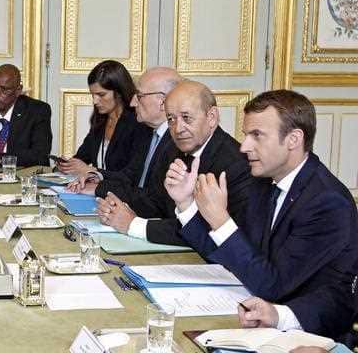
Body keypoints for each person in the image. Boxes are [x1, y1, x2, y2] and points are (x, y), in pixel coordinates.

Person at [166, 90, 358, 305]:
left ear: (293, 139)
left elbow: (272, 286)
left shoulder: (326, 202)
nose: (244, 146)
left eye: (256, 135)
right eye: (246, 134)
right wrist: (185, 203)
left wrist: (221, 220)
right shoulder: (262, 182)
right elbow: (228, 254)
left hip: (302, 328)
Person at [94, 80, 254, 245]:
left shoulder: (236, 164)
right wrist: (116, 209)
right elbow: (157, 202)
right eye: (171, 119)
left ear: (211, 117)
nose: (178, 129)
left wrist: (133, 225)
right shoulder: (173, 149)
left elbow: (212, 235)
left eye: (186, 117)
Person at [67, 66, 181, 195]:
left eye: (139, 96)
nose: (133, 103)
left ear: (162, 102)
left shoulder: (178, 140)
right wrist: (96, 176)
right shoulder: (152, 134)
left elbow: (156, 200)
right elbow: (129, 176)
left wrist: (99, 188)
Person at [58, 60, 149, 176]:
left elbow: (131, 175)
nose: (95, 101)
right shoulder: (100, 120)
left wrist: (92, 171)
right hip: (96, 191)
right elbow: (82, 157)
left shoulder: (136, 123)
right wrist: (68, 165)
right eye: (92, 95)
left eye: (101, 95)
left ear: (119, 92)